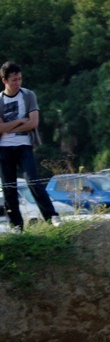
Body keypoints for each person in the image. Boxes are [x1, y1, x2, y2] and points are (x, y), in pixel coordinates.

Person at [0, 61, 57, 231]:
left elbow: (33, 123)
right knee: (9, 188)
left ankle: (52, 216)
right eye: (13, 80)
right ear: (4, 81)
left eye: (19, 79)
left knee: (33, 181)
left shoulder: (28, 95)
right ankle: (16, 225)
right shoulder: (0, 100)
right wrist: (19, 120)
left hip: (24, 145)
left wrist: (9, 126)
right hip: (4, 148)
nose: (17, 83)